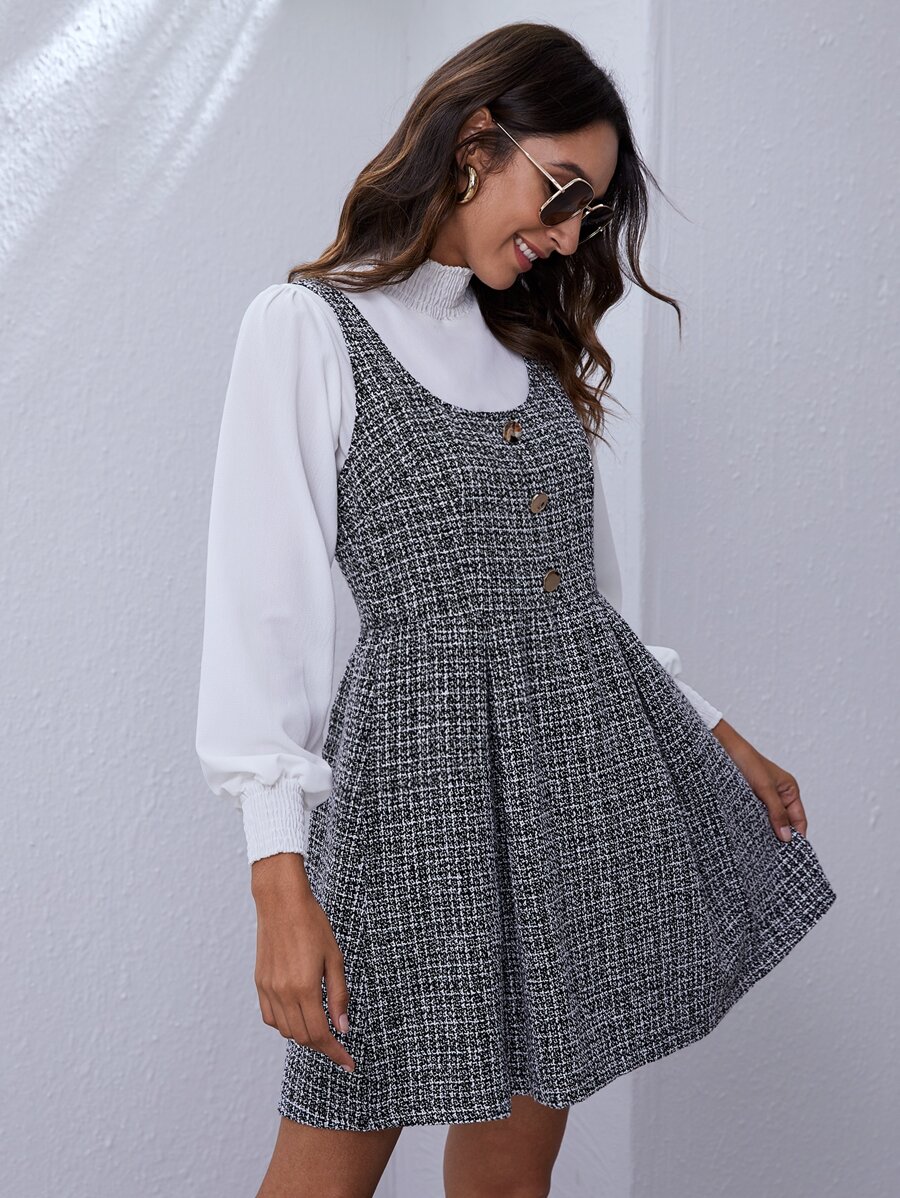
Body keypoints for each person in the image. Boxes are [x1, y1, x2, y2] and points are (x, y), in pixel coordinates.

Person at [195, 22, 837, 1198]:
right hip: (413, 795)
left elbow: (582, 603)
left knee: (509, 1177)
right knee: (327, 1163)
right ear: (475, 140)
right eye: (562, 190)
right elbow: (261, 613)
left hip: (571, 787)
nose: (569, 235)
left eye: (590, 211)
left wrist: (713, 728)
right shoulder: (307, 328)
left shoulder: (529, 347)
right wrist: (276, 876)